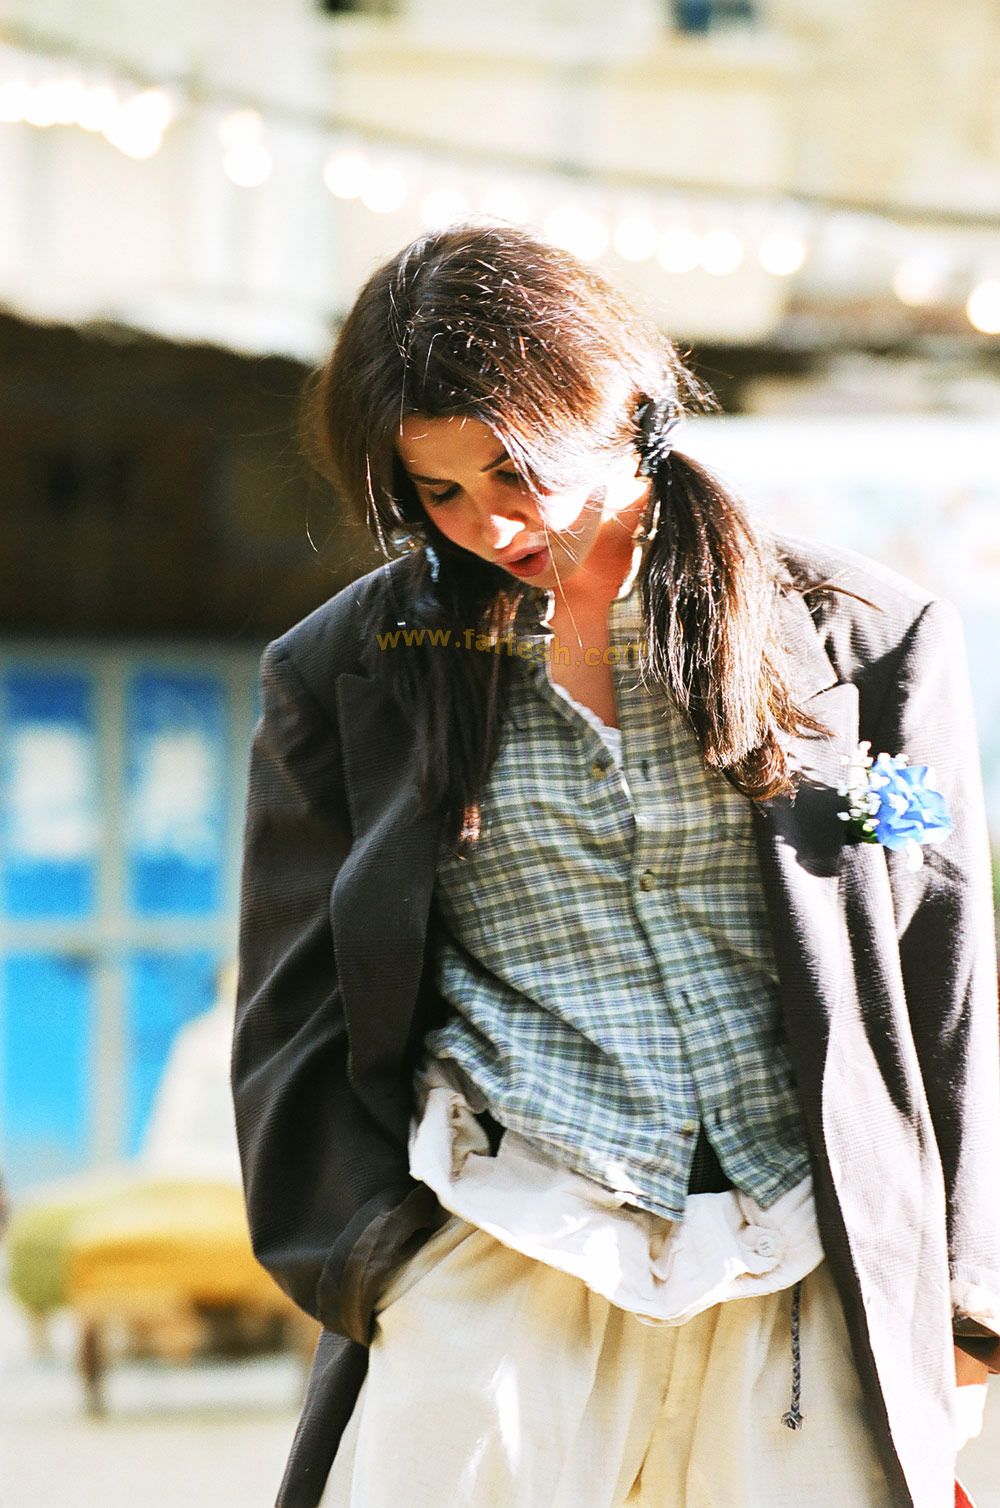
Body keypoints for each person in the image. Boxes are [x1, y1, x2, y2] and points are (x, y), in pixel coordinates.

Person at [231, 223, 1000, 1508]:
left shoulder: (860, 641)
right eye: (439, 492)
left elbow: (944, 972)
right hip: (504, 1238)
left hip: (804, 1252)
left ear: (625, 405)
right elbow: (290, 1007)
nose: (492, 521)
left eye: (516, 468)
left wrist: (967, 1292)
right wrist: (377, 1262)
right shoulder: (342, 675)